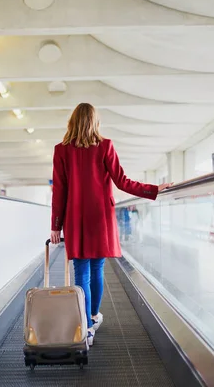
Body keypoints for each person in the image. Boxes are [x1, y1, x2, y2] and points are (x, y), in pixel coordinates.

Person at [49, 103, 172, 346]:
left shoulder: (61, 150)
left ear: (72, 122)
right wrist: (154, 189)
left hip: (75, 218)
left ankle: (85, 326)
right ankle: (93, 317)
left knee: (81, 271)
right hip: (101, 217)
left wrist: (56, 225)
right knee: (97, 269)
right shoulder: (105, 146)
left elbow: (59, 191)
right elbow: (123, 182)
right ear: (95, 122)